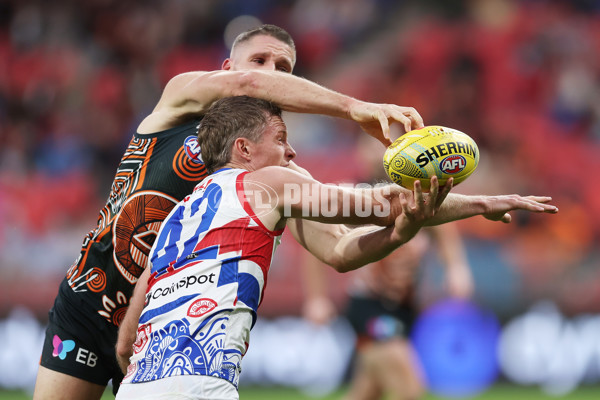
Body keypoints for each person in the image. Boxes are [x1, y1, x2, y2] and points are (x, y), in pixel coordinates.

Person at [33, 24, 427, 400]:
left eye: (284, 68)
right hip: (90, 298)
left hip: (168, 335)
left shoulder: (279, 170)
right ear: (227, 68)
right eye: (260, 60)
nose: (271, 74)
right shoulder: (180, 98)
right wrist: (355, 107)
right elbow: (247, 86)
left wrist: (409, 223)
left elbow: (338, 250)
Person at [114, 95, 557, 399]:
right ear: (244, 149)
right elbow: (384, 203)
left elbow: (126, 341)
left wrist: (401, 234)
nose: (291, 152)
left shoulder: (173, 222)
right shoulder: (266, 183)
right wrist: (483, 202)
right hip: (199, 387)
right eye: (281, 139)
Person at [301, 135, 473, 400]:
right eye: (372, 145)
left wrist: (456, 268)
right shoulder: (353, 195)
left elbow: (444, 229)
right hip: (369, 306)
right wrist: (316, 299)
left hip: (405, 307)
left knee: (367, 392)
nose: (380, 152)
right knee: (409, 388)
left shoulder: (420, 193)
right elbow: (315, 248)